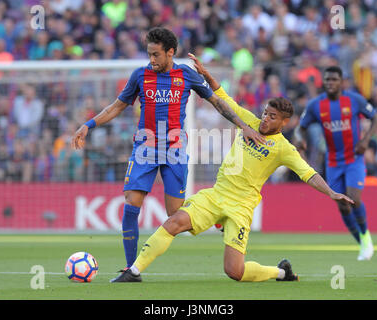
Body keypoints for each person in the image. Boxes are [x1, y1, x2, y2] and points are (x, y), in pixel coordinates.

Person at [110, 55, 354, 283]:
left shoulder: (284, 149)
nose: (265, 119)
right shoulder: (249, 121)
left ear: (284, 122)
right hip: (216, 195)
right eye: (265, 113)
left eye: (272, 116)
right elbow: (223, 98)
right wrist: (207, 75)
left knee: (234, 271)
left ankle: (281, 272)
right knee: (174, 222)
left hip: (241, 207)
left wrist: (331, 192)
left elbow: (308, 173)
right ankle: (134, 271)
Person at [72, 27, 264, 270]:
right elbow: (116, 106)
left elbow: (217, 102)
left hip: (174, 149)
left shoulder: (186, 75)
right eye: (149, 54)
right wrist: (88, 125)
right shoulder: (140, 76)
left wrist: (243, 126)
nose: (151, 60)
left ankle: (216, 215)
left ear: (170, 52)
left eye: (156, 55)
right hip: (145, 148)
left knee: (176, 215)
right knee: (132, 204)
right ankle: (131, 268)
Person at [294, 66, 377, 261]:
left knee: (354, 198)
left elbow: (375, 118)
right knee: (342, 204)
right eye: (327, 80)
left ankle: (366, 237)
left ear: (341, 82)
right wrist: (300, 139)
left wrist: (366, 140)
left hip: (354, 159)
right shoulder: (316, 105)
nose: (330, 83)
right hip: (333, 162)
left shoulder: (354, 100)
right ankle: (361, 244)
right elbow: (300, 128)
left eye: (334, 79)